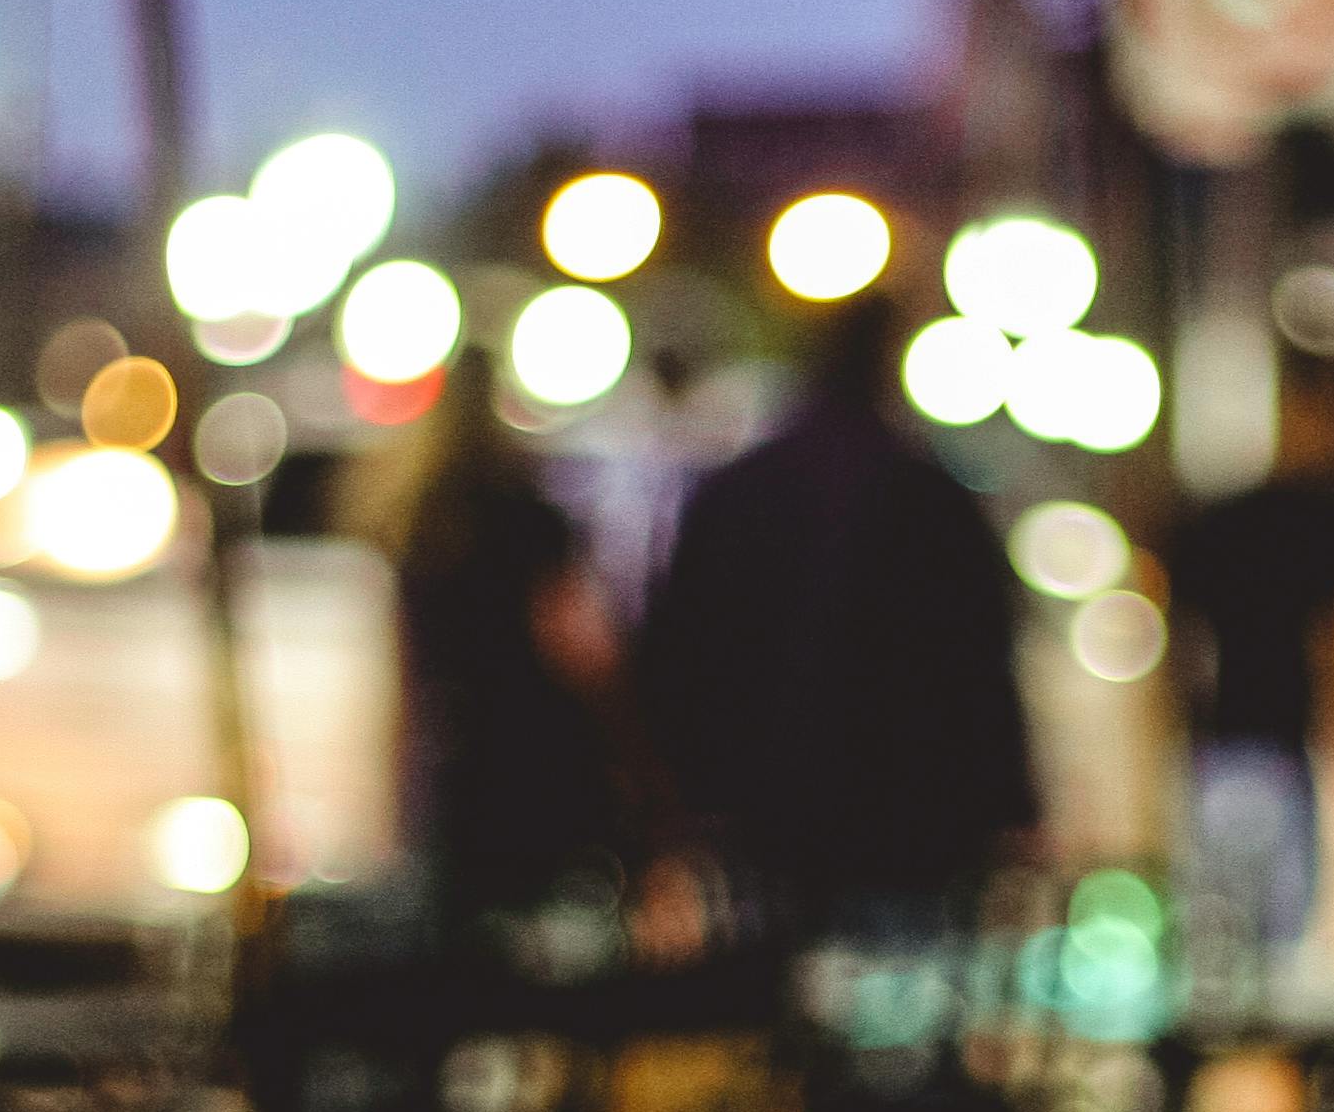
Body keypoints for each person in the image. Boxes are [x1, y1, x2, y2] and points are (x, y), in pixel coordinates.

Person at [638, 293, 1034, 944]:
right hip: (909, 812)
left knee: (765, 995)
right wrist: (1008, 807)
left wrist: (683, 798)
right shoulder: (926, 495)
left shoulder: (739, 493)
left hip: (759, 811)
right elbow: (977, 662)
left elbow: (678, 652)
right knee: (896, 1005)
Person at [360, 346, 644, 939]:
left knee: (461, 943)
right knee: (545, 940)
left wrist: (396, 802)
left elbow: (406, 682)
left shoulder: (419, 525)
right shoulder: (530, 518)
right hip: (532, 757)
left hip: (454, 770)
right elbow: (579, 649)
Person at [1169, 349, 1334, 966]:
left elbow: (1175, 646)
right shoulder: (1332, 526)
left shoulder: (1220, 522)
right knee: (1287, 947)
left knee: (1227, 946)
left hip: (1226, 753)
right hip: (1290, 758)